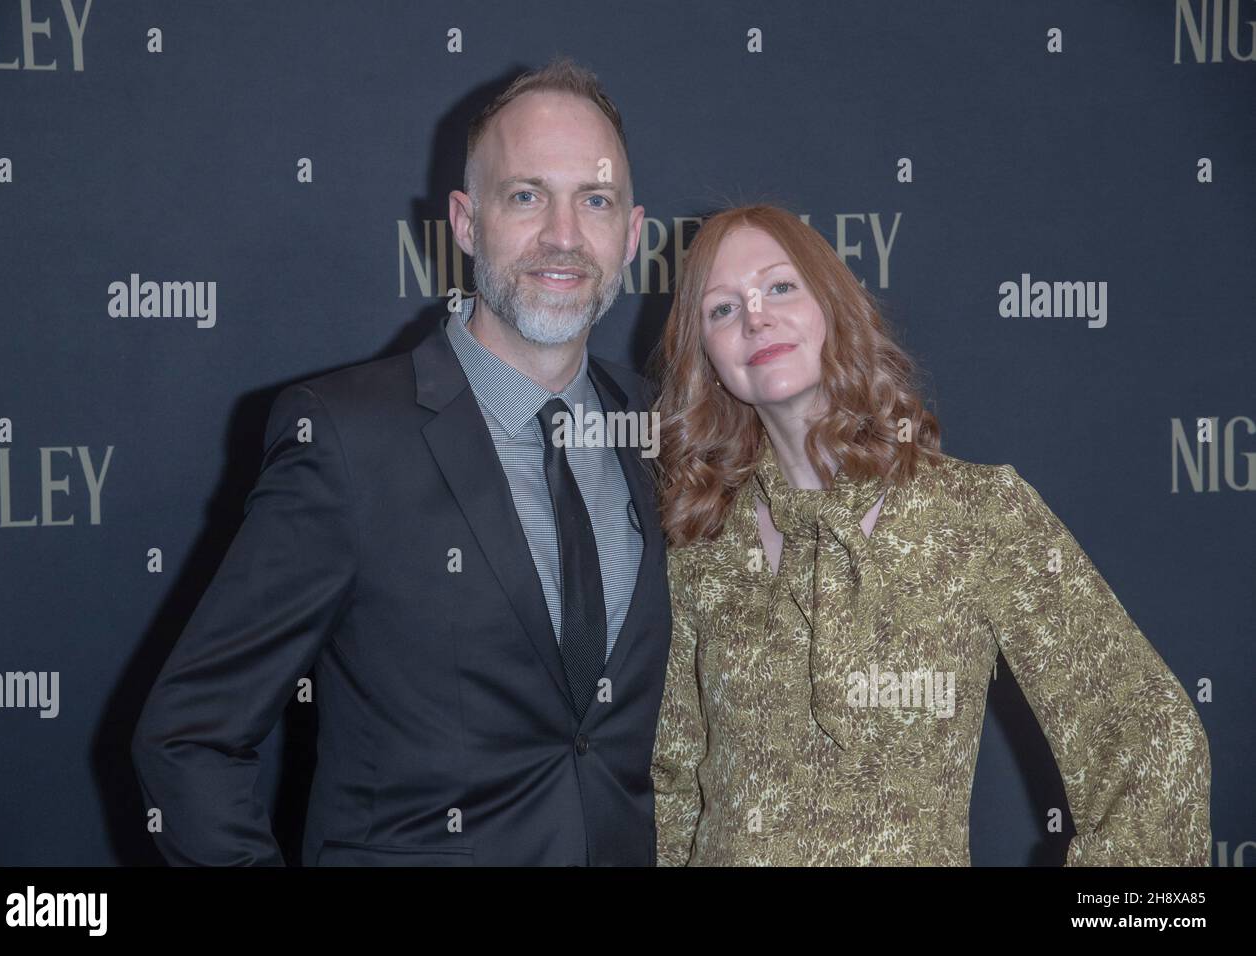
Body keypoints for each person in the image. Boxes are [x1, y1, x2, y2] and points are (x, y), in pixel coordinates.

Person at [131, 56, 672, 866]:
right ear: (464, 222)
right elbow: (188, 739)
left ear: (630, 235)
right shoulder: (345, 438)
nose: (563, 236)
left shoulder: (661, 428)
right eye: (525, 196)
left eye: (594, 201)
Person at [647, 203, 1212, 866]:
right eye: (721, 308)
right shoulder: (699, 551)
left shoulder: (977, 515)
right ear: (707, 358)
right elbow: (671, 793)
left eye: (780, 286)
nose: (755, 316)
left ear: (833, 305)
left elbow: (1150, 736)